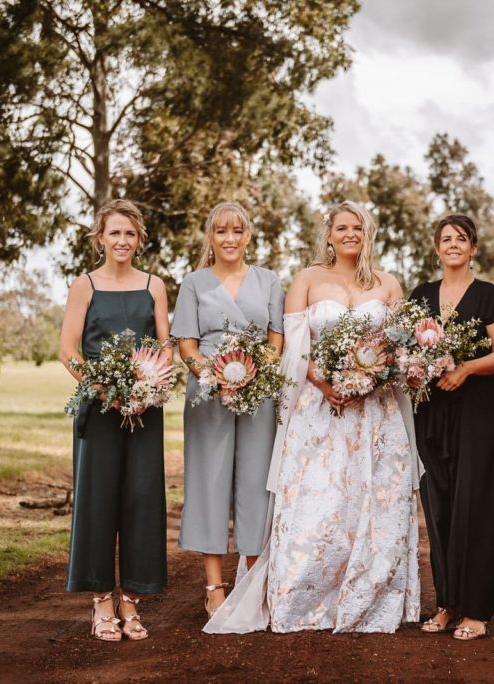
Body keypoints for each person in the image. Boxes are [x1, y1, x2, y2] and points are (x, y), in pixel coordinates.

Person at [203, 200, 422, 634]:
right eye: (342, 228)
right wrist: (329, 385)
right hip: (319, 409)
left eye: (357, 228)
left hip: (376, 413)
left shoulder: (389, 284)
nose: (349, 235)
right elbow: (291, 348)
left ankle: (369, 596)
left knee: (373, 503)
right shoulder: (306, 278)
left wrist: (370, 381)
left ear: (368, 233)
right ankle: (305, 599)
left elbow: (399, 349)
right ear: (329, 234)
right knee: (318, 502)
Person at [58, 199, 171, 642]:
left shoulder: (154, 285)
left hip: (146, 411)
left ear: (139, 240)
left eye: (130, 234)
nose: (122, 241)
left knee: (142, 501)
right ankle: (101, 602)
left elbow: (164, 345)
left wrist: (147, 388)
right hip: (100, 410)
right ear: (100, 238)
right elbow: (68, 349)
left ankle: (132, 604)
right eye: (114, 233)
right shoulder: (83, 285)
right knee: (99, 500)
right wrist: (103, 387)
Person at [172, 202, 285, 618]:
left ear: (248, 235)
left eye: (237, 231)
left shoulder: (269, 281)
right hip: (208, 393)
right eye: (222, 231)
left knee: (257, 482)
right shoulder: (193, 283)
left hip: (258, 391)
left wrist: (254, 374)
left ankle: (253, 581)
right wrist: (214, 374)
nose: (230, 239)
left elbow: (277, 341)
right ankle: (214, 585)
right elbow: (185, 343)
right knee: (209, 480)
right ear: (210, 237)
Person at [410, 214, 494, 641]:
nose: (453, 244)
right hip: (432, 412)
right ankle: (447, 604)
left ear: (474, 249)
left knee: (476, 506)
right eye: (446, 238)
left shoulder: (489, 295)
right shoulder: (420, 296)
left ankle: (476, 610)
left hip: (477, 413)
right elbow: (405, 347)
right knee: (440, 507)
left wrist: (467, 368)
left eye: (462, 239)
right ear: (437, 248)